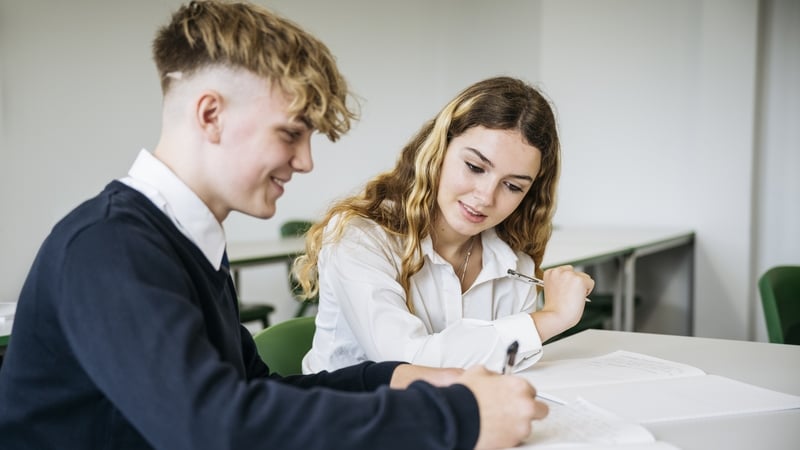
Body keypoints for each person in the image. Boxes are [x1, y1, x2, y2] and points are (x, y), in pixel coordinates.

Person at [0, 2, 549, 449]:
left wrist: (395, 378)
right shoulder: (109, 246)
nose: (306, 161)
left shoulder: (185, 243)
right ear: (210, 115)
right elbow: (216, 427)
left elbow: (254, 390)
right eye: (291, 133)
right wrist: (454, 418)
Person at [296, 76, 595, 375]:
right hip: (349, 415)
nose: (485, 197)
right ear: (438, 150)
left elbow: (503, 375)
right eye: (475, 167)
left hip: (451, 415)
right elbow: (405, 364)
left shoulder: (515, 266)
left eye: (513, 186)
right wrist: (552, 317)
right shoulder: (360, 237)